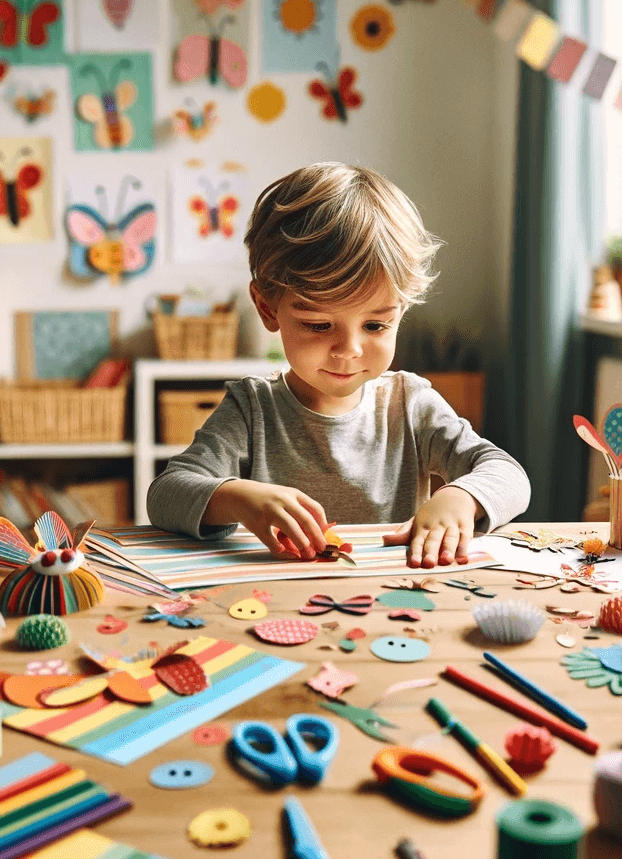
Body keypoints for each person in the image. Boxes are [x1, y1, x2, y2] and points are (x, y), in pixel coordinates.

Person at [147, 162, 530, 568]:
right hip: (275, 608)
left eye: (376, 324)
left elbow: (508, 474)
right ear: (267, 307)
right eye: (319, 325)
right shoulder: (251, 409)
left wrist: (461, 498)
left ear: (400, 312)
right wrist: (238, 499)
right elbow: (166, 494)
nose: (349, 349)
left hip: (395, 601)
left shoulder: (411, 403)